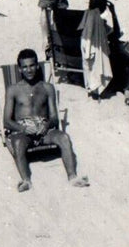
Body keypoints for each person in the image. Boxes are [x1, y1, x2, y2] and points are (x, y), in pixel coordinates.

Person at [5, 49, 90, 191]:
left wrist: (46, 126)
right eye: (24, 67)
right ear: (19, 69)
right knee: (18, 143)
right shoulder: (13, 90)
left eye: (32, 65)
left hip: (44, 129)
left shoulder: (47, 88)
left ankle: (73, 177)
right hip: (23, 130)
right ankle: (26, 180)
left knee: (64, 137)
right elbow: (6, 121)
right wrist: (24, 129)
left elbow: (54, 117)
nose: (29, 70)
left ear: (37, 66)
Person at [79, 0, 123, 99]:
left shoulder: (84, 21)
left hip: (82, 54)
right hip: (96, 56)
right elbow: (116, 34)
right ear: (103, 8)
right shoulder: (99, 24)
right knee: (119, 50)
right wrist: (113, 12)